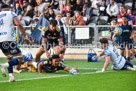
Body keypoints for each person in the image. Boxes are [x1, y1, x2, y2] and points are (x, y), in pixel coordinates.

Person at [0, 4, 32, 82]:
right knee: (20, 58)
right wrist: (25, 36)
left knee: (9, 57)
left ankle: (11, 77)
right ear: (8, 8)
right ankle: (4, 65)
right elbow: (18, 24)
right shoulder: (11, 13)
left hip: (1, 40)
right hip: (9, 39)